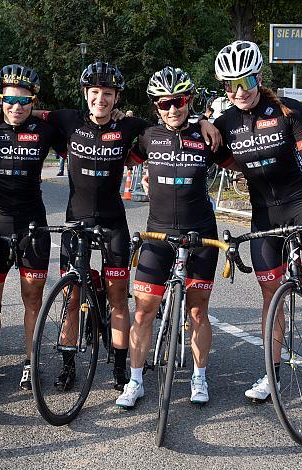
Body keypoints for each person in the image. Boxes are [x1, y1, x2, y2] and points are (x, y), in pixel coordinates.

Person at [0, 60, 221, 391]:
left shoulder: (133, 127)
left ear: (116, 98)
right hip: (77, 222)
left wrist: (203, 120)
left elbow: (171, 122)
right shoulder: (66, 120)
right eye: (94, 93)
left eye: (107, 94)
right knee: (72, 297)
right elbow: (23, 108)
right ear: (86, 95)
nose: (100, 100)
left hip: (113, 222)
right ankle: (68, 363)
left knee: (119, 298)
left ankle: (120, 367)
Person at [212, 41, 302, 401]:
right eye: (230, 85)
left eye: (245, 82)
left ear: (258, 78)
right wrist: (203, 122)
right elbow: (210, 154)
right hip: (265, 213)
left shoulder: (288, 111)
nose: (239, 92)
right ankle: (272, 374)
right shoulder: (224, 123)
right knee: (271, 295)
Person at [115, 67, 233, 408]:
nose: (172, 109)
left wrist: (206, 122)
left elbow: (245, 163)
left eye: (179, 101)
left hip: (201, 236)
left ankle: (199, 376)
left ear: (189, 100)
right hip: (158, 236)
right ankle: (135, 381)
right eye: (164, 103)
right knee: (143, 312)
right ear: (155, 106)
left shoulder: (206, 136)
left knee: (197, 312)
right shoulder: (149, 136)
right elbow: (119, 150)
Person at [0, 64, 67, 392]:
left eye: (25, 101)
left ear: (34, 102)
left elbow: (74, 115)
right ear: (0, 97)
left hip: (32, 227)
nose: (16, 106)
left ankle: (30, 361)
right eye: (9, 99)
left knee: (32, 300)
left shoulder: (45, 129)